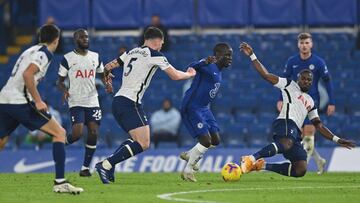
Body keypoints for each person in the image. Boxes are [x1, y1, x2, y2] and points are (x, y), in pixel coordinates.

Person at [94, 27, 196, 184]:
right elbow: (175, 75)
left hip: (118, 100)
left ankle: (109, 164)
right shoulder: (154, 54)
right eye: (161, 43)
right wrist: (190, 74)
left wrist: (107, 80)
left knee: (136, 140)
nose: (162, 46)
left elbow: (107, 67)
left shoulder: (130, 52)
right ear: (157, 41)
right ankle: (106, 165)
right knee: (144, 143)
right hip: (130, 103)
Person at [239, 42, 355, 177]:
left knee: (300, 169)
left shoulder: (311, 101)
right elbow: (266, 75)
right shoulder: (289, 84)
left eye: (309, 80)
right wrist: (252, 55)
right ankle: (250, 159)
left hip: (295, 133)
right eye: (303, 79)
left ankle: (261, 165)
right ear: (298, 79)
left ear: (312, 83)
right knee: (286, 142)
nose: (306, 81)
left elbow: (319, 125)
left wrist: (337, 140)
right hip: (285, 122)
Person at [0, 24, 83, 194]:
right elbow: (27, 74)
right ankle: (60, 183)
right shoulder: (44, 53)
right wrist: (38, 101)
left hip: (4, 99)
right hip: (20, 101)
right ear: (56, 39)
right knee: (59, 133)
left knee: (1, 142)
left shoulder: (29, 50)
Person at [277, 33, 335, 174]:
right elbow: (284, 81)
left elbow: (328, 81)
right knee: (302, 137)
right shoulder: (292, 61)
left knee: (309, 133)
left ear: (311, 44)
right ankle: (319, 160)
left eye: (307, 43)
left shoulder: (318, 62)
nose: (304, 45)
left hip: (312, 100)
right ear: (298, 45)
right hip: (296, 103)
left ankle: (303, 164)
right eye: (302, 43)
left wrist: (331, 102)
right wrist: (280, 99)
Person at [57, 29, 112, 177]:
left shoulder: (95, 56)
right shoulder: (67, 58)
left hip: (92, 100)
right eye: (82, 37)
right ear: (76, 40)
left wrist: (107, 82)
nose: (85, 39)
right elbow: (60, 81)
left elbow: (102, 73)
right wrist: (64, 90)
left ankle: (85, 168)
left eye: (87, 37)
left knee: (94, 132)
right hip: (76, 100)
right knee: (77, 133)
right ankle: (60, 143)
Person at [180, 43, 233, 182]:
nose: (230, 59)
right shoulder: (208, 65)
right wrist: (203, 61)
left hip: (204, 108)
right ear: (218, 56)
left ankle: (190, 154)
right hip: (192, 106)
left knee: (215, 140)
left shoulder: (219, 70)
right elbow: (190, 67)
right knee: (205, 140)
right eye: (227, 55)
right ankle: (188, 171)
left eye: (231, 56)